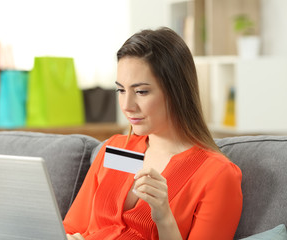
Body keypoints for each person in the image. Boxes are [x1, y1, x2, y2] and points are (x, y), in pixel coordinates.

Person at [63, 27, 242, 240]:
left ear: (176, 92)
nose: (127, 105)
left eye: (141, 92)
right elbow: (71, 227)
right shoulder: (118, 149)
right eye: (121, 90)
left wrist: (163, 217)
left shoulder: (217, 175)